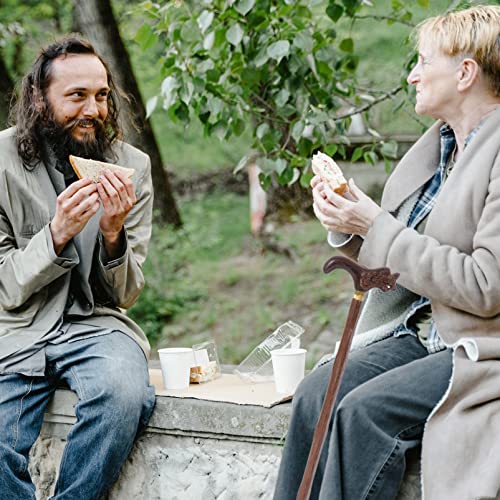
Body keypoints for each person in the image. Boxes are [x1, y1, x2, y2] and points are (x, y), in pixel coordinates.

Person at [274, 5, 500, 500]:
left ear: (465, 73)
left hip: (480, 344)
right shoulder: (438, 147)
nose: (413, 75)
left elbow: (485, 287)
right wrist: (349, 224)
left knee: (362, 414)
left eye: (423, 62)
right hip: (423, 329)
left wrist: (374, 224)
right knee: (318, 392)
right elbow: (404, 258)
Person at [0, 37, 156, 499]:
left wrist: (113, 235)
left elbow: (126, 296)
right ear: (38, 99)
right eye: (76, 96)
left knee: (125, 395)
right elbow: (6, 284)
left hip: (96, 326)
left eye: (102, 95)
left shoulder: (134, 168)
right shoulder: (0, 162)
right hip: (16, 329)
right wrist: (57, 234)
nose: (93, 109)